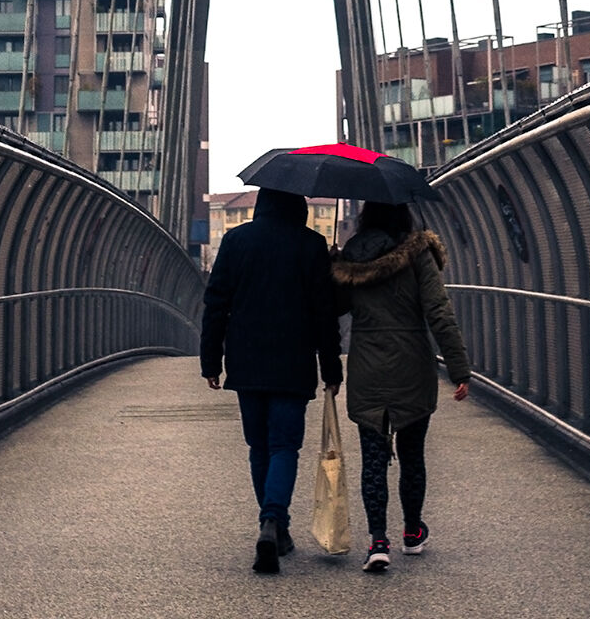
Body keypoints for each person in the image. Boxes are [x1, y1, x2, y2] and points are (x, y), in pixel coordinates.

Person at [200, 187, 342, 574]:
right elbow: (324, 313)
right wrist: (331, 368)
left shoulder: (236, 240)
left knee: (258, 445)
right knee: (284, 445)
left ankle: (272, 523)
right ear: (298, 207)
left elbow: (216, 302)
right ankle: (274, 519)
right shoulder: (311, 245)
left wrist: (211, 360)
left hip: (246, 360)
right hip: (293, 361)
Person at [332, 199, 470, 573]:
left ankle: (378, 540)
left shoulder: (352, 256)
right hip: (412, 365)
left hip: (368, 367)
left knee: (373, 457)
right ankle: (412, 531)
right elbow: (438, 311)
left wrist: (334, 267)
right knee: (412, 454)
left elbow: (337, 308)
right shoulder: (418, 253)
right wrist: (459, 369)